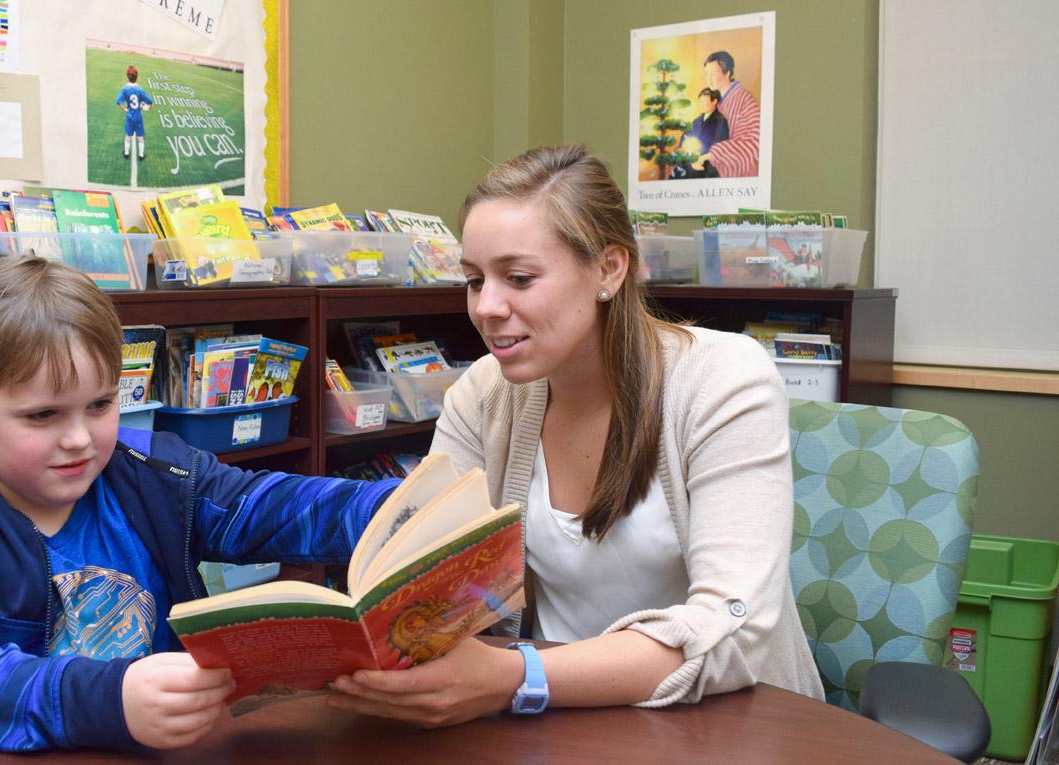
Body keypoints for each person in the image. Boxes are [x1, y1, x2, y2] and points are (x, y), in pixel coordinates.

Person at [328, 145, 822, 726]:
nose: (486, 307)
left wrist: (518, 677)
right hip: (553, 718)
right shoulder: (482, 393)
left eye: (518, 277)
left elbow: (730, 632)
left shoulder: (724, 379)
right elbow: (436, 580)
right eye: (472, 279)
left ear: (609, 269)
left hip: (724, 719)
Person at [0, 256, 399, 752]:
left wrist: (403, 510)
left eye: (101, 404)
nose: (80, 439)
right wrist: (109, 700)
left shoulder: (153, 470)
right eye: (42, 416)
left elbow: (270, 506)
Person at [693, 51, 760, 178]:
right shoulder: (714, 101)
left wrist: (713, 154)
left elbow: (754, 143)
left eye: (713, 74)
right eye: (707, 74)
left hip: (738, 174)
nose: (709, 79)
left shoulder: (745, 100)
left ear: (728, 73)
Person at [672, 88, 728, 180]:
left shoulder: (721, 122)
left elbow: (720, 147)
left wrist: (700, 159)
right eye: (700, 102)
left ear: (714, 101)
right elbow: (685, 138)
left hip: (708, 165)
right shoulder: (696, 121)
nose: (701, 105)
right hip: (690, 161)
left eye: (704, 102)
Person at [116, 65, 154, 160]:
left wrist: (124, 109)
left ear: (127, 76)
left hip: (129, 116)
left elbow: (118, 102)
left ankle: (126, 153)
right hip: (138, 117)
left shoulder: (124, 89)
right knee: (140, 137)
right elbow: (150, 102)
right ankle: (141, 155)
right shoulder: (140, 90)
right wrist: (148, 108)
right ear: (137, 76)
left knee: (128, 135)